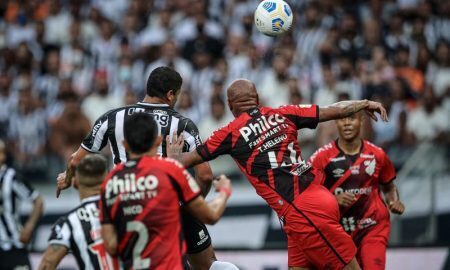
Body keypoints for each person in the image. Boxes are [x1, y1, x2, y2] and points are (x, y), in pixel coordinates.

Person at [167, 79, 390, 270]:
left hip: (302, 211)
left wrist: (174, 154)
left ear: (229, 104)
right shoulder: (284, 112)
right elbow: (336, 109)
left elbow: (183, 163)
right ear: (257, 98)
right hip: (317, 198)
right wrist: (364, 103)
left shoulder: (230, 134)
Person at [56, 66, 238, 270]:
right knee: (208, 266)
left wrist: (67, 176)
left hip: (124, 203)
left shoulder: (112, 123)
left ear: (126, 146)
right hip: (171, 203)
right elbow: (204, 177)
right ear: (170, 94)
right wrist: (192, 203)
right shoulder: (181, 126)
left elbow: (75, 160)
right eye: (177, 94)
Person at [100, 113, 231, 269]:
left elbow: (110, 245)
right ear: (157, 141)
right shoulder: (171, 170)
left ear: (125, 145)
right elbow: (211, 215)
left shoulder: (111, 181)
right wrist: (224, 191)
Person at [309, 112, 405, 269]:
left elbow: (388, 187)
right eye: (342, 119)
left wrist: (393, 200)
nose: (347, 123)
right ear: (336, 123)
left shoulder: (377, 155)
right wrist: (332, 200)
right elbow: (307, 196)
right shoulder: (321, 158)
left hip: (372, 227)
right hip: (338, 233)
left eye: (352, 118)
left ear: (361, 121)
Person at [39, 154, 118, 270]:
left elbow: (47, 263)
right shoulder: (125, 211)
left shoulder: (68, 223)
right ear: (108, 180)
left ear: (75, 183)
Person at [0, 139, 44, 270]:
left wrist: (29, 227)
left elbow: (38, 201)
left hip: (12, 245)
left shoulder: (11, 177)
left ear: (3, 155)